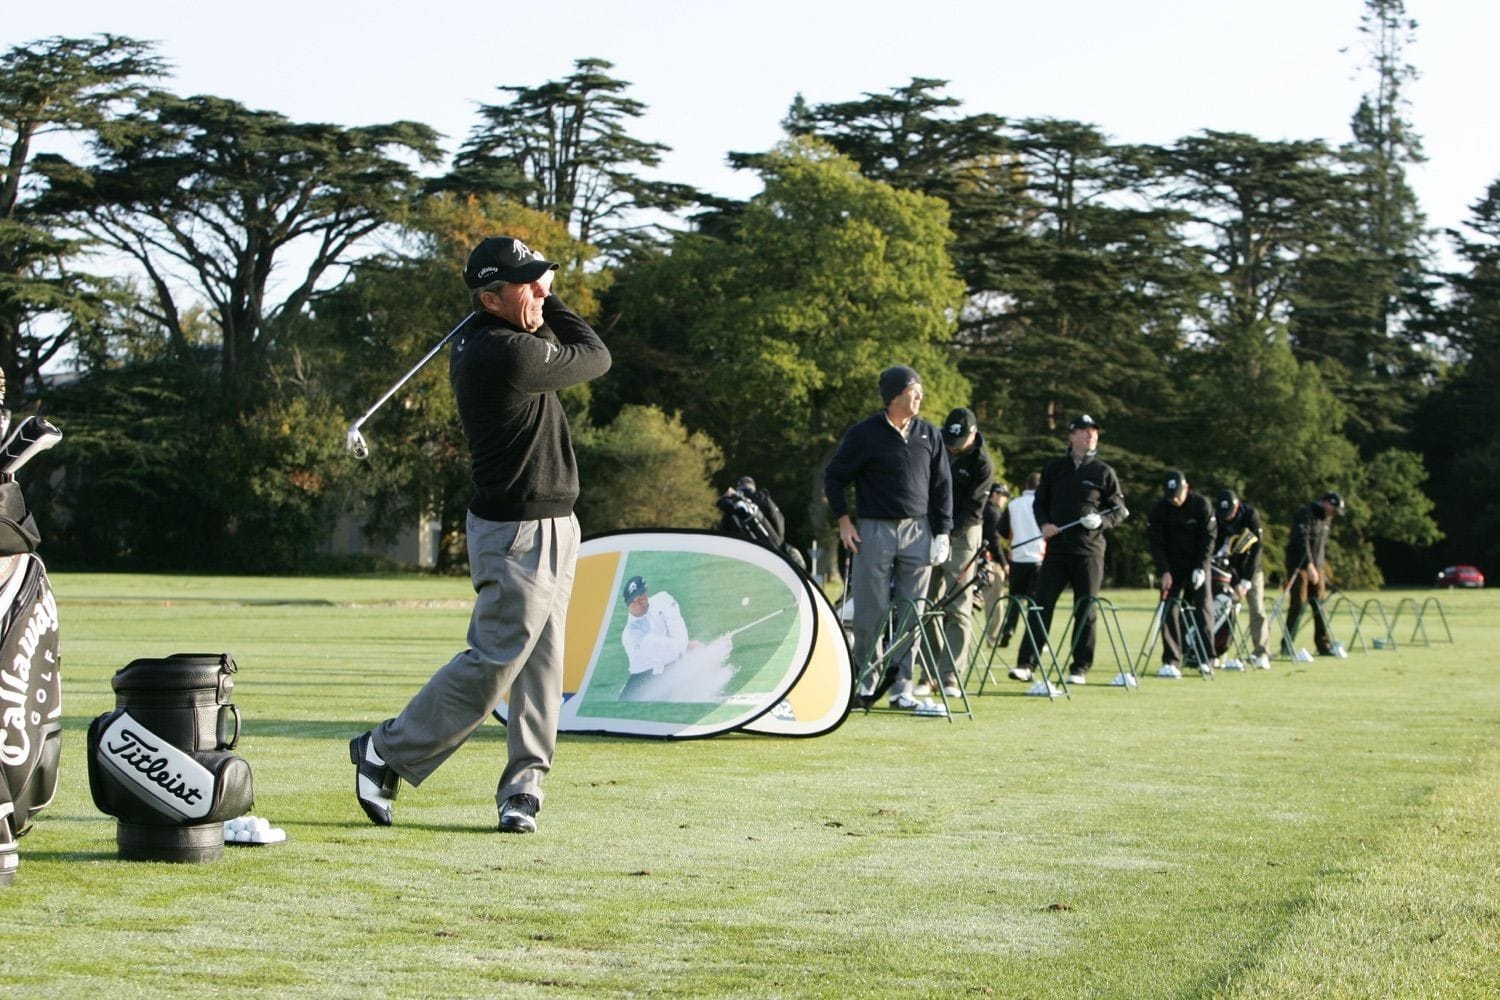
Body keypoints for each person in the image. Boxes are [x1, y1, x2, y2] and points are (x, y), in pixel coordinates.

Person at [349, 235, 611, 835]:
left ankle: (523, 790)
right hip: (518, 529)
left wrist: (540, 292)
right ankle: (386, 750)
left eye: (543, 278)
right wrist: (558, 302)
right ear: (490, 298)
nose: (542, 289)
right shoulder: (504, 353)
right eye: (530, 283)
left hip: (554, 522)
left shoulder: (498, 335)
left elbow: (563, 338)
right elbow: (595, 355)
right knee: (496, 660)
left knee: (543, 663)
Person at [824, 365, 953, 711]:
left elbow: (942, 486)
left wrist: (943, 531)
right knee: (871, 611)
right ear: (895, 396)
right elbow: (834, 477)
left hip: (919, 529)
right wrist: (844, 521)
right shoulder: (865, 433)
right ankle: (865, 684)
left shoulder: (929, 433)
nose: (920, 397)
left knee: (912, 611)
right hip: (874, 530)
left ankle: (901, 688)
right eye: (914, 391)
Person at [1012, 415, 1128, 685]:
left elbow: (1119, 509)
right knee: (1041, 605)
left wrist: (1102, 520)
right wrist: (1044, 525)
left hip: (1089, 551)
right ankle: (1026, 664)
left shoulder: (1103, 471)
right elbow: (1039, 503)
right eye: (1085, 432)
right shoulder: (1054, 469)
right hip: (1057, 549)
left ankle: (1080, 667)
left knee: (1085, 608)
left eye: (1094, 433)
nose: (1091, 436)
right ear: (1072, 436)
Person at [920, 407, 995, 696]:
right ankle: (930, 673)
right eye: (950, 437)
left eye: (959, 439)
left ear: (973, 434)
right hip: (929, 528)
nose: (952, 445)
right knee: (923, 605)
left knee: (957, 607)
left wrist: (948, 536)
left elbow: (973, 510)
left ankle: (950, 675)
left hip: (963, 536)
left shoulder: (982, 463)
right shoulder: (937, 441)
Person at [1146, 471, 1218, 678]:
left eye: (1177, 494)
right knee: (1170, 609)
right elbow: (1156, 543)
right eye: (1171, 496)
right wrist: (1164, 571)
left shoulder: (1201, 504)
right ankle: (1172, 660)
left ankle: (1206, 658)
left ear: (1186, 487)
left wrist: (1202, 567)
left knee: (1203, 608)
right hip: (1172, 565)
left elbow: (1209, 538)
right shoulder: (1160, 509)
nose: (1174, 499)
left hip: (1197, 563)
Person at [1281, 491, 1344, 658]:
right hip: (1299, 566)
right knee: (1298, 605)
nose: (1334, 513)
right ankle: (1287, 644)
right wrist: (1309, 565)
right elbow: (1301, 540)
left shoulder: (1326, 521)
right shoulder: (1305, 513)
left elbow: (1320, 547)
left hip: (1317, 567)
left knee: (1319, 605)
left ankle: (1324, 645)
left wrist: (1320, 569)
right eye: (1333, 508)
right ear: (1325, 503)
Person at [1214, 489, 1270, 669]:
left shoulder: (1250, 515)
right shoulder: (1219, 517)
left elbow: (1256, 550)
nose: (1227, 517)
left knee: (1257, 609)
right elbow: (1218, 547)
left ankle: (1261, 653)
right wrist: (1236, 580)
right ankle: (1218, 651)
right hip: (1229, 571)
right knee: (1225, 609)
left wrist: (1246, 579)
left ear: (1237, 506)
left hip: (1251, 571)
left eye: (1230, 512)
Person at [997, 472, 1044, 668]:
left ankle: (1009, 627)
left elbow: (1002, 529)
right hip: (1039, 557)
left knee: (1015, 598)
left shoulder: (1014, 504)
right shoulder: (1043, 503)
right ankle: (1033, 636)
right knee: (1035, 601)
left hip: (1017, 557)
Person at [979, 482, 1011, 646]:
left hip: (980, 561)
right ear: (995, 494)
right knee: (995, 602)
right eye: (1004, 496)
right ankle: (993, 637)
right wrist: (1004, 563)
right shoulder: (993, 513)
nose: (1005, 500)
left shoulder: (984, 509)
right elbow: (995, 542)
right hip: (991, 563)